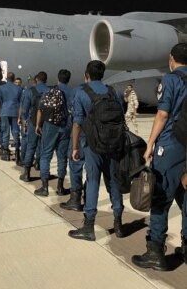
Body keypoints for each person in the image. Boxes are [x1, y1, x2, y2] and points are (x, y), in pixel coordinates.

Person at [132, 43, 187, 271]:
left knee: (160, 196)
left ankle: (155, 251)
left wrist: (150, 144)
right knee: (184, 197)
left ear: (171, 58)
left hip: (171, 145)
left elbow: (162, 114)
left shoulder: (171, 79)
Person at [68, 60, 125, 241]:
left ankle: (89, 226)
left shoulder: (81, 92)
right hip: (114, 144)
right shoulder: (112, 91)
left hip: (92, 146)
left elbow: (77, 123)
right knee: (113, 182)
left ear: (87, 74)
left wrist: (75, 147)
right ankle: (118, 222)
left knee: (92, 181)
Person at [34, 69, 72, 196]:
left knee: (45, 155)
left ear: (58, 78)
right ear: (68, 79)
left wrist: (38, 125)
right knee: (62, 157)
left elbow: (41, 109)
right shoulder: (72, 92)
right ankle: (60, 187)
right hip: (65, 127)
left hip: (50, 126)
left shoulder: (49, 91)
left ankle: (44, 187)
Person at [19, 71, 49, 181]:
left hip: (33, 121)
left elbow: (25, 109)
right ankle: (39, 165)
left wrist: (24, 122)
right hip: (46, 122)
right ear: (46, 80)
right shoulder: (50, 91)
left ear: (36, 80)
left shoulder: (29, 91)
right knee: (43, 147)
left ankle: (27, 173)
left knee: (31, 146)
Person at [0, 72, 23, 162]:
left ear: (6, 78)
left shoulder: (1, 88)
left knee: (5, 133)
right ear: (14, 78)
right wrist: (20, 116)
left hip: (5, 112)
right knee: (16, 132)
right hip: (15, 112)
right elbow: (21, 104)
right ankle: (17, 153)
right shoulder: (19, 89)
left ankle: (6, 153)